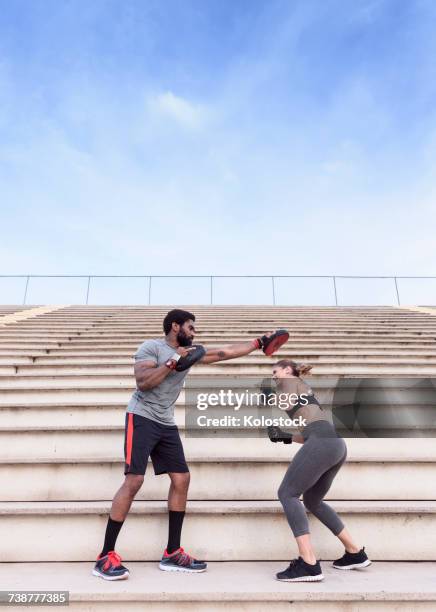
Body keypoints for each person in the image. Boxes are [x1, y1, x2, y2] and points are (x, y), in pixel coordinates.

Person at [93, 308, 284, 580]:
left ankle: (172, 552)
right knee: (134, 481)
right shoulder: (152, 347)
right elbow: (143, 382)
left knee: (181, 479)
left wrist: (257, 343)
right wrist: (173, 362)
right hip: (142, 416)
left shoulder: (191, 353)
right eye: (191, 327)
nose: (194, 332)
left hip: (166, 422)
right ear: (175, 327)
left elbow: (223, 353)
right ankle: (105, 556)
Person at [270, 359, 371, 582]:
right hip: (335, 444)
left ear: (287, 370)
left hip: (323, 443)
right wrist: (284, 436)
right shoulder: (301, 389)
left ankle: (308, 563)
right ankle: (355, 552)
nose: (274, 376)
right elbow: (308, 435)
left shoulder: (290, 384)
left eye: (275, 371)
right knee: (313, 501)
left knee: (287, 493)